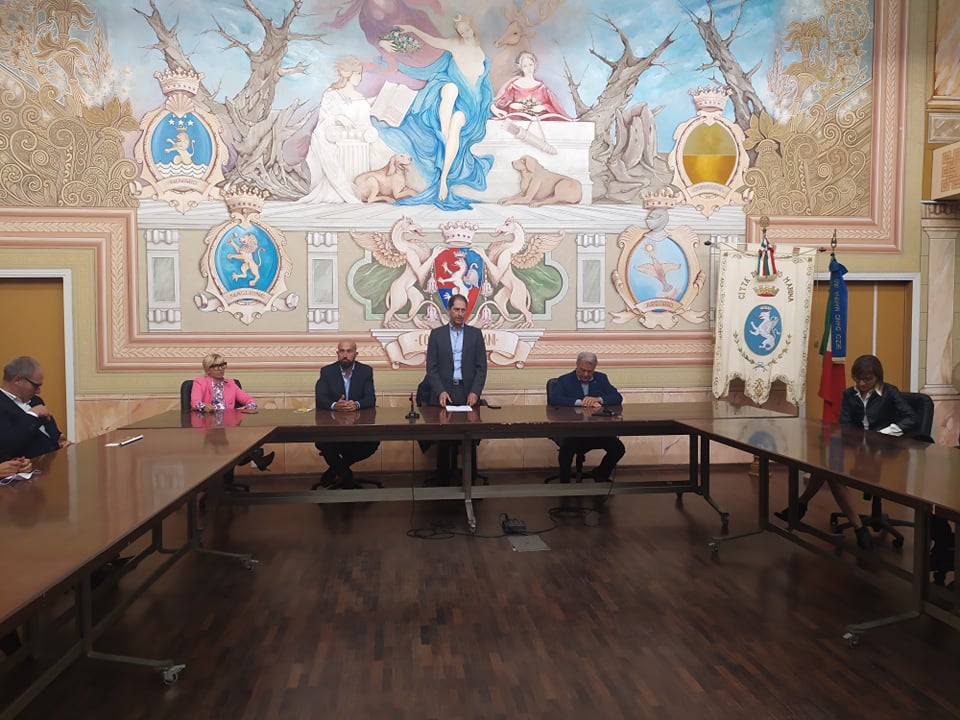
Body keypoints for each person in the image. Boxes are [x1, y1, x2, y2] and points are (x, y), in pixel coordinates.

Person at [774, 354, 916, 550]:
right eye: (857, 379)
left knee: (830, 471)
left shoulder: (889, 392)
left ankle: (801, 506)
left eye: (867, 379)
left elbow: (910, 418)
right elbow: (845, 425)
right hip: (858, 450)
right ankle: (858, 527)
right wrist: (854, 441)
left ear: (877, 377)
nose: (861, 383)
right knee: (827, 468)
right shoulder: (849, 394)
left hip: (885, 454)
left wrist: (883, 433)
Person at [377, 14, 494, 210]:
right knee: (450, 88)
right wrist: (412, 29)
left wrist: (493, 107)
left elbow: (485, 86)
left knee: (458, 121)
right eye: (460, 31)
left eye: (466, 29)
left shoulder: (481, 53)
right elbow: (432, 41)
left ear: (472, 27)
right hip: (455, 95)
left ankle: (444, 179)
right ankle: (444, 138)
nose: (464, 34)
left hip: (472, 104)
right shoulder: (455, 45)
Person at [299, 56, 392, 204]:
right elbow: (324, 120)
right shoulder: (332, 94)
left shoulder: (360, 97)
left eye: (361, 73)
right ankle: (348, 189)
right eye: (357, 73)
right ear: (347, 74)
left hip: (363, 140)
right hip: (341, 140)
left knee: (387, 156)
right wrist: (337, 118)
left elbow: (362, 115)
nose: (360, 77)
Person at [424, 293, 487, 485]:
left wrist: (475, 391)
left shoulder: (475, 334)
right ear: (449, 310)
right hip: (444, 391)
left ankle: (470, 480)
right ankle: (443, 482)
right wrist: (440, 391)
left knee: (469, 437)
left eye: (463, 310)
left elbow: (481, 367)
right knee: (444, 437)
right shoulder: (437, 334)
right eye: (456, 309)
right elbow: (431, 367)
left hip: (467, 391)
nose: (460, 314)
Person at [547, 351, 626, 483]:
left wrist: (599, 399)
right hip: (571, 430)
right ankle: (564, 483)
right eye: (582, 370)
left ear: (594, 368)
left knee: (618, 448)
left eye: (590, 371)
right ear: (577, 365)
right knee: (567, 447)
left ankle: (600, 474)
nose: (585, 374)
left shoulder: (601, 378)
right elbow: (554, 399)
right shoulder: (565, 380)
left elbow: (617, 397)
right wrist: (580, 402)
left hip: (595, 430)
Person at [190, 353, 274, 472]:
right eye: (216, 366)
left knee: (242, 439)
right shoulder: (200, 382)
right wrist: (204, 407)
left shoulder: (231, 383)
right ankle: (253, 458)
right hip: (208, 427)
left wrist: (242, 409)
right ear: (208, 369)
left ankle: (250, 458)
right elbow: (195, 402)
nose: (220, 369)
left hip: (228, 426)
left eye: (223, 365)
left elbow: (250, 401)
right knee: (231, 445)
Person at [314, 340, 380, 489]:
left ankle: (336, 471)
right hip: (332, 428)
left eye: (349, 351)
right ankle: (346, 475)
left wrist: (356, 404)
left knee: (372, 442)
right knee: (324, 443)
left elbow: (370, 399)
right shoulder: (327, 372)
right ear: (337, 353)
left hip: (358, 428)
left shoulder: (365, 371)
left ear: (355, 354)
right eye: (342, 351)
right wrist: (334, 405)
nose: (345, 355)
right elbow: (321, 398)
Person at [0, 356, 71, 462]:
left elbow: (54, 435)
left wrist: (60, 443)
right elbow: (7, 446)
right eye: (35, 386)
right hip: (26, 469)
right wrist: (32, 415)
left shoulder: (36, 400)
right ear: (17, 380)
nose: (38, 391)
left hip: (53, 464)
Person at [491, 50, 573, 120]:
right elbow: (502, 104)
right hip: (516, 122)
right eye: (525, 66)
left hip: (538, 124)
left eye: (530, 65)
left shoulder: (542, 87)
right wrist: (513, 105)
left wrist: (543, 107)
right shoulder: (514, 85)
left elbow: (554, 107)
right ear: (521, 67)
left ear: (534, 65)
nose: (529, 68)